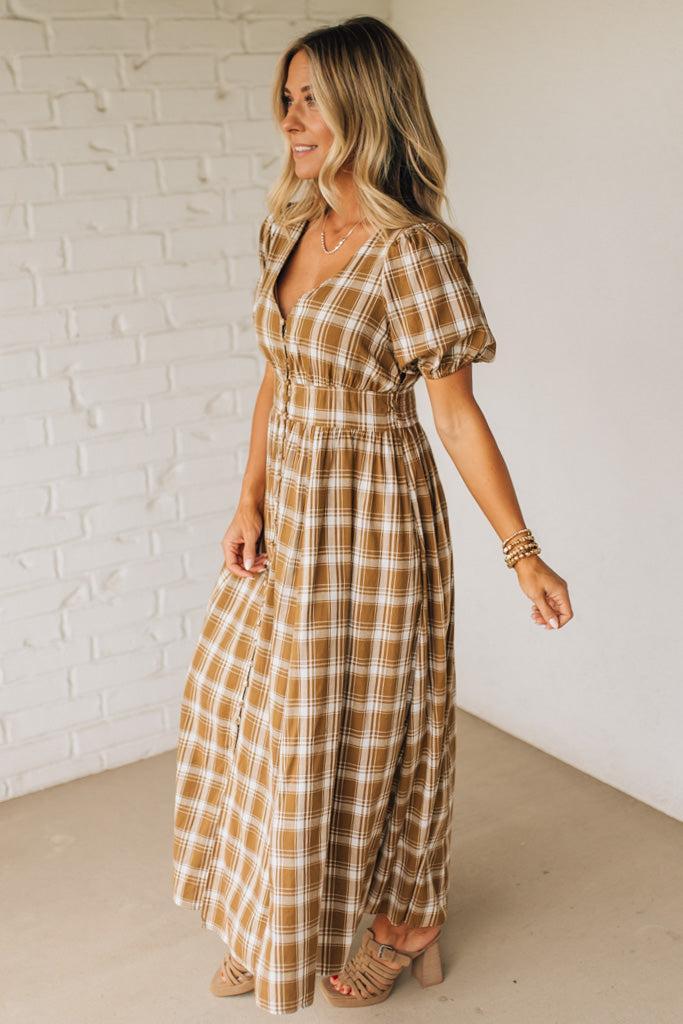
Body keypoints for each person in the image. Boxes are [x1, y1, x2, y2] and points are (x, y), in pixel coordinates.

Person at [172, 15, 573, 1017]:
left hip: (376, 519)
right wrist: (248, 495)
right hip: (293, 510)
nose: (288, 117)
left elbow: (453, 415)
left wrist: (520, 553)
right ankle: (280, 917)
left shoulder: (414, 253)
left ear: (364, 106)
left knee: (374, 731)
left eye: (309, 97)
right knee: (255, 717)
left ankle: (405, 920)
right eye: (287, 94)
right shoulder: (287, 226)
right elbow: (277, 375)